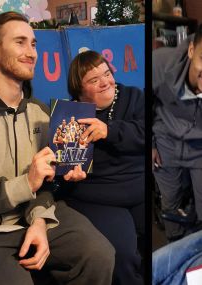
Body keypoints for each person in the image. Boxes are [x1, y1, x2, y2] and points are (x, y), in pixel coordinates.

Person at [0, 11, 115, 285]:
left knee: (100, 254)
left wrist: (41, 218)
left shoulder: (42, 113)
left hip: (34, 215)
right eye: (20, 42)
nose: (31, 52)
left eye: (33, 44)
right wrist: (26, 183)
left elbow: (46, 185)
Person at [58, 50, 145, 285]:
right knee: (122, 255)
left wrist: (109, 131)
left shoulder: (134, 97)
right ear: (79, 89)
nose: (105, 82)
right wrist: (68, 175)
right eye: (94, 80)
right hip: (97, 197)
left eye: (107, 73)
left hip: (138, 188)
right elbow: (63, 166)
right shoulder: (70, 116)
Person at [152, 24, 202, 241]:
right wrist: (151, 144)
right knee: (169, 203)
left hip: (199, 149)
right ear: (191, 50)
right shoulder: (159, 64)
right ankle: (174, 245)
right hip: (166, 143)